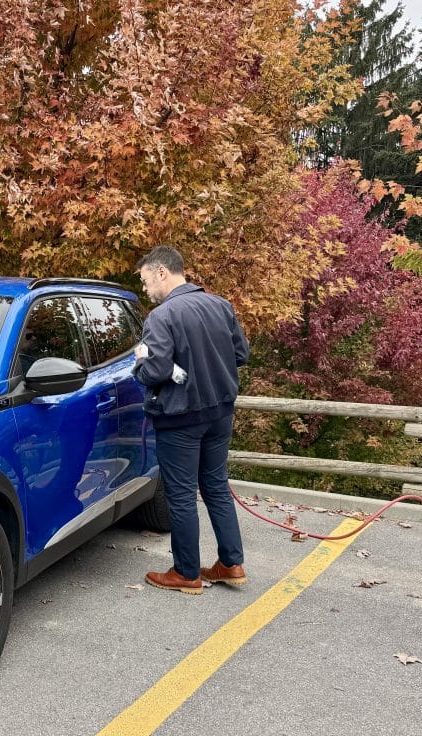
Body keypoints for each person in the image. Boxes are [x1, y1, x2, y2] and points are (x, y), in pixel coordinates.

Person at [133, 245, 249, 595]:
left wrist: (140, 359)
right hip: (220, 413)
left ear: (161, 272)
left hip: (180, 418)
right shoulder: (220, 305)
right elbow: (241, 354)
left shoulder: (162, 316)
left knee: (181, 495)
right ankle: (231, 563)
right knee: (215, 486)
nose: (145, 289)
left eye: (145, 280)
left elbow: (153, 370)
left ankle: (186, 573)